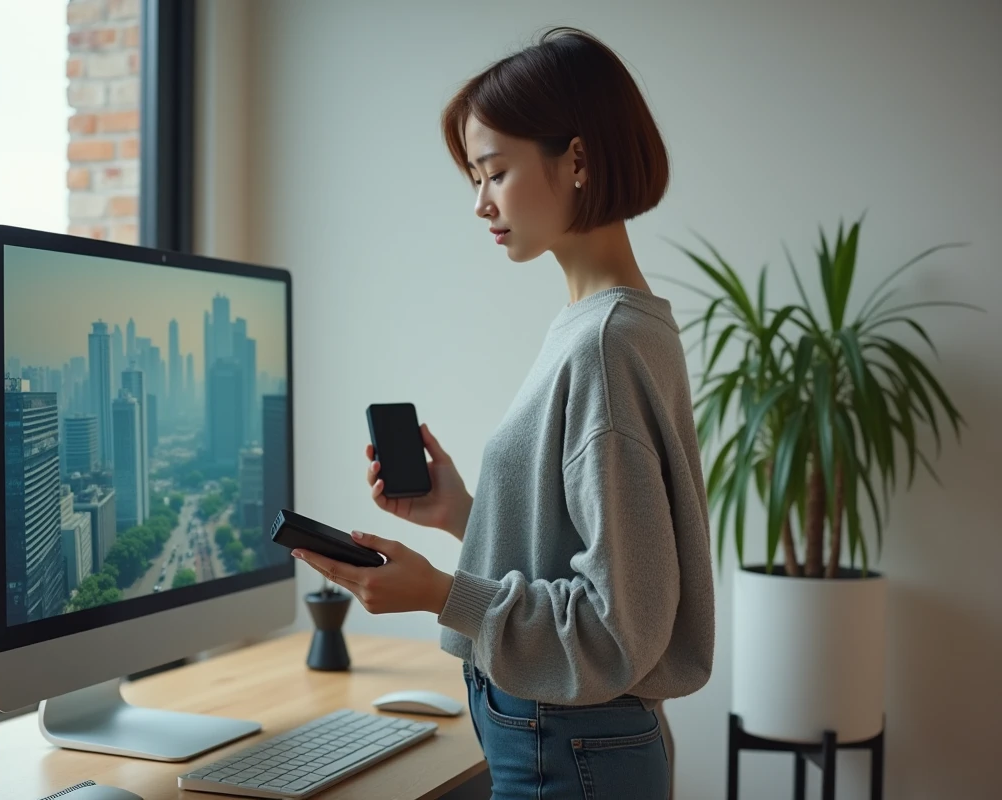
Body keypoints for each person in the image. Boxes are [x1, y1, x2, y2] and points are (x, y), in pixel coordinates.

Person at [290, 26, 714, 800]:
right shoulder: (610, 325)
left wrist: (439, 593)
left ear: (577, 160)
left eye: (494, 172)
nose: (480, 202)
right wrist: (467, 515)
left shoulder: (604, 345)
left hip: (573, 747)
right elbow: (595, 553)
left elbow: (620, 624)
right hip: (571, 740)